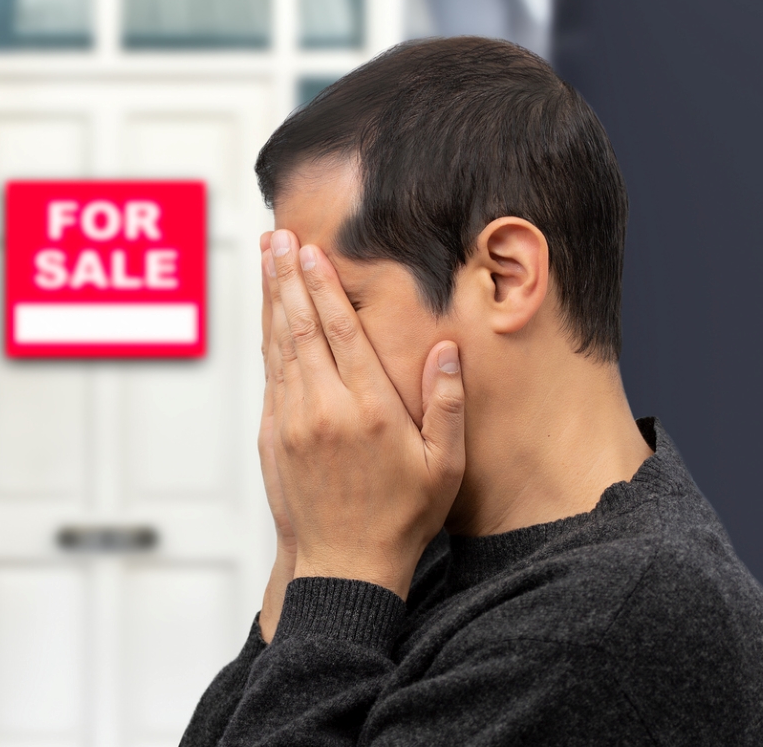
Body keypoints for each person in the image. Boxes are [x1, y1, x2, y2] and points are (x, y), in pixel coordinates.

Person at [180, 37, 763, 746]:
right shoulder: (423, 553)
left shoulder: (617, 621)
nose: (302, 367)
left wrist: (339, 579)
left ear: (504, 276)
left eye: (340, 308)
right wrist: (305, 555)